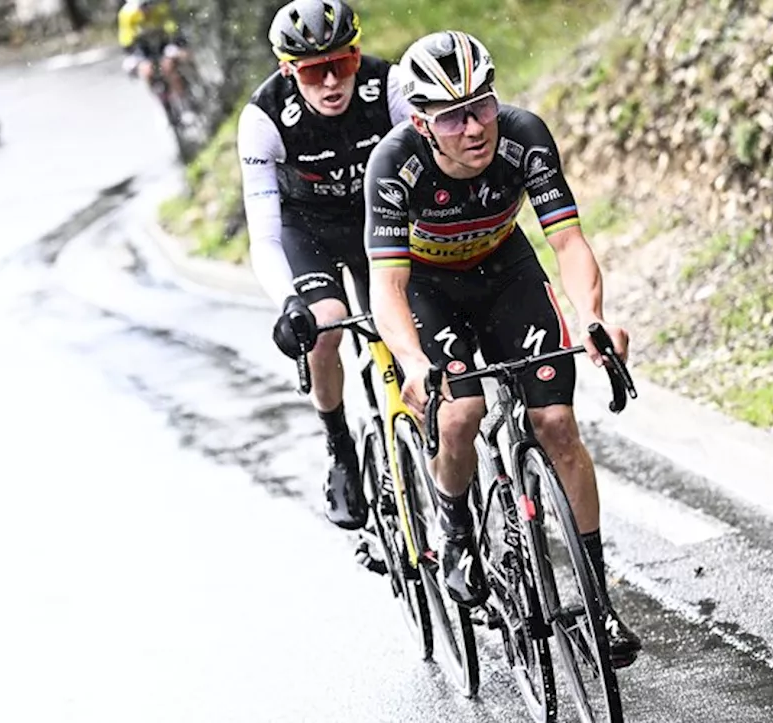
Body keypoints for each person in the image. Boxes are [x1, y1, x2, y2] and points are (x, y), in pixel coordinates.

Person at [363, 30, 642, 668]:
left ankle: (598, 605)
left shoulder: (524, 136)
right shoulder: (394, 162)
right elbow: (388, 285)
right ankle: (456, 529)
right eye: (453, 116)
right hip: (429, 288)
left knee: (557, 425)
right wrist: (412, 362)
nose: (474, 127)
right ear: (421, 123)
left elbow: (568, 244)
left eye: (482, 105)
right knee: (460, 413)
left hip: (505, 271)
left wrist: (592, 318)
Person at [240, 0, 414, 530]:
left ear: (358, 54)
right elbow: (265, 233)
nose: (333, 80)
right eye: (315, 71)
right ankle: (339, 446)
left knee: (404, 317)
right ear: (289, 70)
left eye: (343, 62)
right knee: (326, 324)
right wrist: (289, 303)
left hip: (377, 220)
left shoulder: (389, 85)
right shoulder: (264, 118)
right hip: (308, 229)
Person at [118, 0, 190, 111]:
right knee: (147, 72)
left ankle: (184, 100)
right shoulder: (127, 14)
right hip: (143, 48)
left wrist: (177, 42)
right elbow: (126, 39)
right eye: (142, 7)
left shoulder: (160, 7)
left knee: (169, 66)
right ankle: (163, 103)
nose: (146, 10)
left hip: (163, 42)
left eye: (149, 5)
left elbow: (171, 26)